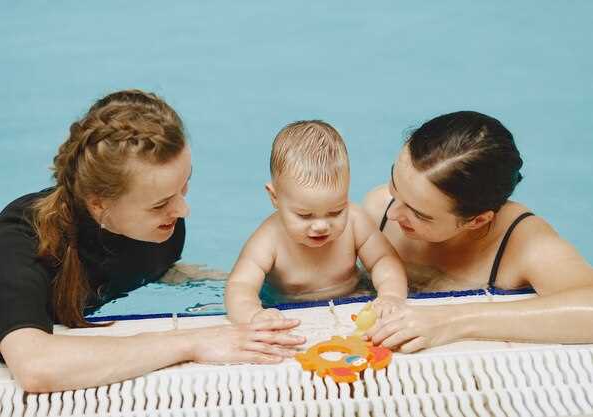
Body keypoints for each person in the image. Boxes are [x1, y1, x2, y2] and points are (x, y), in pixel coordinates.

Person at [0, 90, 304, 393]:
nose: (183, 209)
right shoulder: (22, 237)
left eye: (185, 185)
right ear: (99, 203)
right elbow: (35, 367)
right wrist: (191, 342)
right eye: (160, 204)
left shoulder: (162, 227)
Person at [362, 111, 593, 352]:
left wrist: (451, 321)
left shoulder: (524, 244)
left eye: (419, 214)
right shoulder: (379, 208)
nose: (393, 213)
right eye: (395, 185)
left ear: (477, 220)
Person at [225, 120, 407, 324]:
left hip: (352, 294)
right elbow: (241, 285)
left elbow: (384, 259)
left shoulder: (355, 221)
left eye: (336, 211)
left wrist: (390, 295)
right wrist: (253, 315)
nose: (321, 225)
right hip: (283, 304)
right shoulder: (269, 239)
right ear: (274, 197)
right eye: (304, 215)